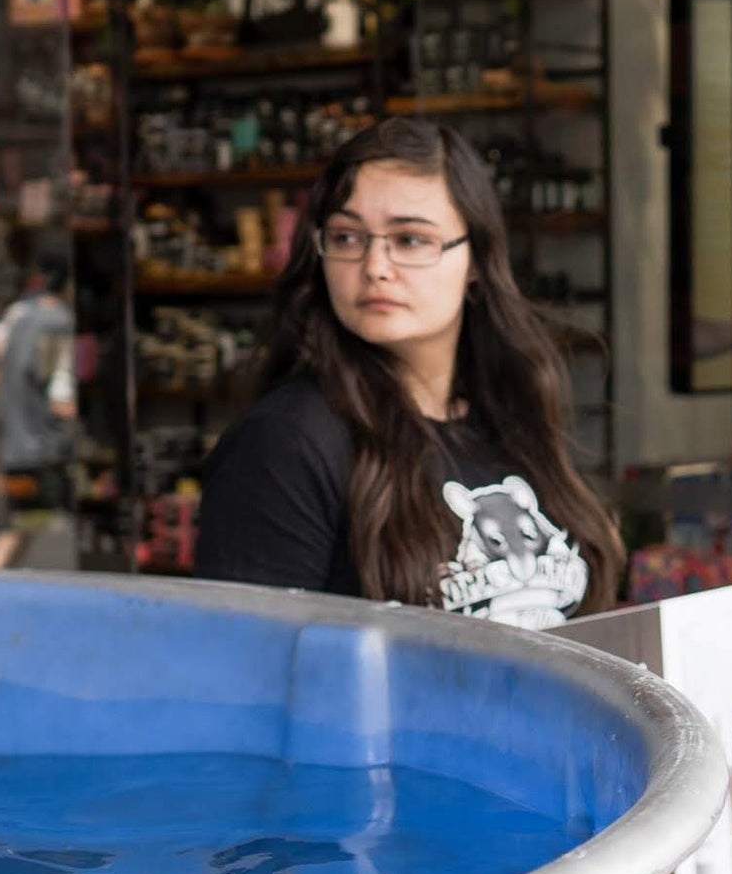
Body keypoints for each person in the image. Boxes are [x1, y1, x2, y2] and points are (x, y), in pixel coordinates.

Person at [195, 121, 620, 627]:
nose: (375, 265)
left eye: (411, 239)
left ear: (477, 260)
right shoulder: (287, 443)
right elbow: (244, 666)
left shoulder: (509, 414)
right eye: (347, 236)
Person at [0, 255, 82, 570]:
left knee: (17, 526)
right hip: (38, 445)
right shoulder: (57, 321)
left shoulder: (16, 315)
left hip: (11, 439)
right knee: (19, 528)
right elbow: (58, 385)